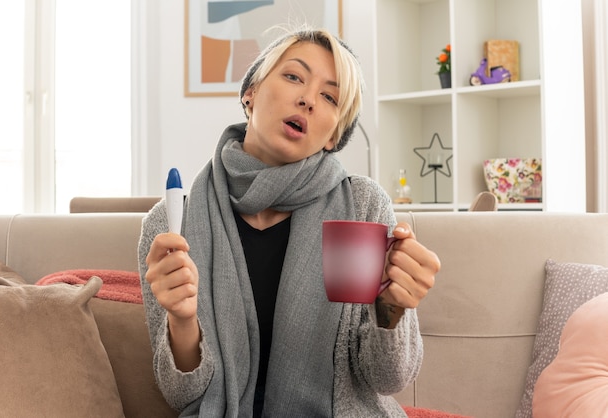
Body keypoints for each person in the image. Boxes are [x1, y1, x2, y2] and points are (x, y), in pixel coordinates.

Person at [138, 26, 440, 418]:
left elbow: (387, 378)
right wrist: (181, 320)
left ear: (334, 135)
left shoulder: (362, 205)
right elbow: (181, 395)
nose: (308, 99)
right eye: (294, 76)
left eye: (329, 96)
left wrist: (393, 309)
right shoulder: (171, 223)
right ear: (250, 94)